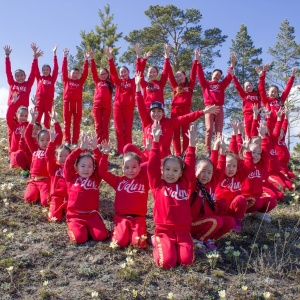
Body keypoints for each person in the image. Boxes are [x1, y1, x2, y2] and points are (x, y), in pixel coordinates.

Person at [134, 72, 220, 160]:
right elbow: (140, 105)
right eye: (154, 111)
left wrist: (204, 111)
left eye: (159, 111)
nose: (156, 114)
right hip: (148, 158)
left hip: (164, 161)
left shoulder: (169, 123)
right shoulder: (146, 122)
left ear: (163, 113)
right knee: (128, 148)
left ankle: (182, 155)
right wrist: (137, 86)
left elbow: (186, 118)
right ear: (150, 112)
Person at [148, 121, 197, 269]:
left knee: (187, 261)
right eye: (167, 169)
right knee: (167, 263)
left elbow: (190, 165)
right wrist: (155, 142)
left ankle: (175, 247)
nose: (171, 173)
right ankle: (157, 240)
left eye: (175, 170)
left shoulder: (183, 183)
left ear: (181, 173)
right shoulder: (157, 184)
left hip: (183, 231)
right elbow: (152, 166)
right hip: (164, 231)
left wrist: (192, 145)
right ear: (162, 171)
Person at [99, 141, 149, 248]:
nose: (130, 170)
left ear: (140, 168)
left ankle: (139, 231)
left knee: (139, 244)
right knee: (119, 242)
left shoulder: (145, 181)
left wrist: (148, 152)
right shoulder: (118, 181)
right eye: (127, 167)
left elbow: (153, 165)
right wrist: (105, 154)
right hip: (121, 218)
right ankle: (118, 229)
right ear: (122, 168)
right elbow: (102, 172)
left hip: (138, 218)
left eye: (134, 167)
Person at [190, 136, 235, 252]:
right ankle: (198, 240)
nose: (206, 175)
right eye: (202, 172)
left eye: (209, 173)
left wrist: (222, 151)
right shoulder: (192, 185)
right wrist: (192, 145)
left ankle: (208, 238)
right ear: (195, 172)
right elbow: (190, 167)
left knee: (230, 221)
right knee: (216, 221)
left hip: (208, 221)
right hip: (192, 223)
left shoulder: (212, 183)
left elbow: (219, 167)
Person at [64, 133, 109, 244]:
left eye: (90, 166)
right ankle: (75, 227)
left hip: (92, 216)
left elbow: (101, 165)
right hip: (75, 216)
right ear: (77, 167)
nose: (86, 169)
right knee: (80, 239)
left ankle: (88, 229)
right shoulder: (71, 177)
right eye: (83, 166)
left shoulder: (95, 178)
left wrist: (95, 149)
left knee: (102, 236)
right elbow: (68, 162)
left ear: (93, 168)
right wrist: (80, 149)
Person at [4, 43, 42, 154]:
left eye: (22, 75)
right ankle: (11, 153)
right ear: (15, 78)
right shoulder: (12, 83)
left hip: (23, 114)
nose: (20, 77)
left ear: (24, 76)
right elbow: (8, 72)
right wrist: (7, 57)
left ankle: (24, 150)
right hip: (13, 113)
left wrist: (34, 58)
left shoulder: (28, 84)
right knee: (11, 132)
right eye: (18, 76)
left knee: (23, 132)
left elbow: (33, 73)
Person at [197, 50, 236, 155]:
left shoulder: (221, 85)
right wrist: (198, 62)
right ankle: (207, 150)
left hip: (219, 107)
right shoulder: (206, 84)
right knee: (209, 129)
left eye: (219, 75)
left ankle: (217, 149)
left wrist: (232, 64)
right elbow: (200, 75)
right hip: (209, 107)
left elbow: (228, 77)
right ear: (212, 74)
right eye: (216, 74)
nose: (218, 76)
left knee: (219, 131)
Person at [104, 47, 136, 158]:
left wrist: (139, 56)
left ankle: (129, 151)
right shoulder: (118, 82)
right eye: (121, 72)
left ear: (128, 72)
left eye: (124, 71)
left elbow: (140, 70)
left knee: (127, 130)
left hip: (129, 108)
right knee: (118, 130)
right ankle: (121, 151)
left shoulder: (133, 82)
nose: (122, 73)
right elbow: (112, 71)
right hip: (118, 107)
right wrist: (110, 58)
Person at [167, 49, 198, 156]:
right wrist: (167, 57)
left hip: (186, 110)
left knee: (185, 132)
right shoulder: (175, 86)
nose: (178, 77)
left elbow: (193, 74)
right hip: (175, 110)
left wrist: (196, 60)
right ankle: (177, 153)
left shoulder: (190, 86)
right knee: (175, 132)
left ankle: (185, 152)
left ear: (185, 76)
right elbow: (169, 74)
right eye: (177, 76)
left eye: (180, 75)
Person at [24, 109, 52, 206]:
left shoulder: (51, 151)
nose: (45, 142)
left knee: (46, 202)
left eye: (48, 140)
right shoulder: (35, 149)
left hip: (46, 182)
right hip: (34, 181)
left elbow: (58, 138)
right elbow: (27, 136)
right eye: (42, 140)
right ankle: (36, 193)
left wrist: (55, 122)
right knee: (28, 199)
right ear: (38, 140)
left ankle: (42, 194)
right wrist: (32, 121)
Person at [62, 48, 88, 147]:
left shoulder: (80, 82)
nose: (75, 75)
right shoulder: (67, 80)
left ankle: (75, 141)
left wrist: (86, 60)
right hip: (67, 102)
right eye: (73, 73)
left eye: (77, 73)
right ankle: (67, 141)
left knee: (76, 123)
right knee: (67, 123)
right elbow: (64, 70)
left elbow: (85, 74)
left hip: (77, 103)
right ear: (70, 74)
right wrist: (65, 57)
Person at [231, 55, 261, 138]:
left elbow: (261, 86)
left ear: (252, 86)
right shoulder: (244, 95)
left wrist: (261, 75)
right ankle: (247, 144)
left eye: (250, 85)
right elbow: (238, 87)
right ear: (244, 88)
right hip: (247, 115)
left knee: (256, 132)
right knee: (248, 131)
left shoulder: (257, 94)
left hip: (257, 114)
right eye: (246, 86)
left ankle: (256, 146)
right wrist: (233, 76)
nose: (249, 87)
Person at [45, 130, 71, 222]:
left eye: (66, 156)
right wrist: (51, 142)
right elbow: (48, 156)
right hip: (56, 198)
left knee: (72, 218)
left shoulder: (73, 169)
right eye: (61, 156)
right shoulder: (54, 168)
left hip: (69, 198)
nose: (63, 158)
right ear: (56, 157)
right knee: (54, 219)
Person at [135, 44, 170, 110]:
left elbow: (165, 73)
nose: (152, 74)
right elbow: (139, 72)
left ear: (157, 74)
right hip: (148, 109)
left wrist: (167, 58)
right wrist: (140, 58)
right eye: (150, 72)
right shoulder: (144, 84)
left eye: (154, 72)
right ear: (147, 74)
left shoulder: (160, 83)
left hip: (159, 109)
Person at [89, 50, 113, 144]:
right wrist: (92, 59)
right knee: (98, 125)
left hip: (107, 105)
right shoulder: (97, 81)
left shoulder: (110, 82)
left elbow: (113, 71)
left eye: (104, 74)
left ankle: (105, 143)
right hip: (97, 105)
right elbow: (93, 71)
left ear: (107, 74)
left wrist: (110, 58)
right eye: (101, 74)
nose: (102, 75)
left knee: (105, 125)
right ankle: (98, 143)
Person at [33, 45, 59, 129]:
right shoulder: (39, 78)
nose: (45, 71)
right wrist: (35, 58)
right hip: (39, 100)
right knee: (37, 118)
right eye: (44, 70)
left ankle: (46, 135)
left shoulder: (52, 79)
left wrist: (54, 54)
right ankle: (35, 135)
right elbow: (35, 69)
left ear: (50, 71)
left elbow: (56, 68)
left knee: (47, 119)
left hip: (48, 100)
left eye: (47, 70)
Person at [6, 105, 31, 177]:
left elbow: (34, 119)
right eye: (21, 115)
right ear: (17, 115)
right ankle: (11, 159)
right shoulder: (14, 125)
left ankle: (25, 170)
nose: (23, 117)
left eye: (26, 116)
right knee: (14, 165)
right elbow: (8, 116)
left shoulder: (28, 125)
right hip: (14, 152)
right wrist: (13, 103)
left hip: (24, 152)